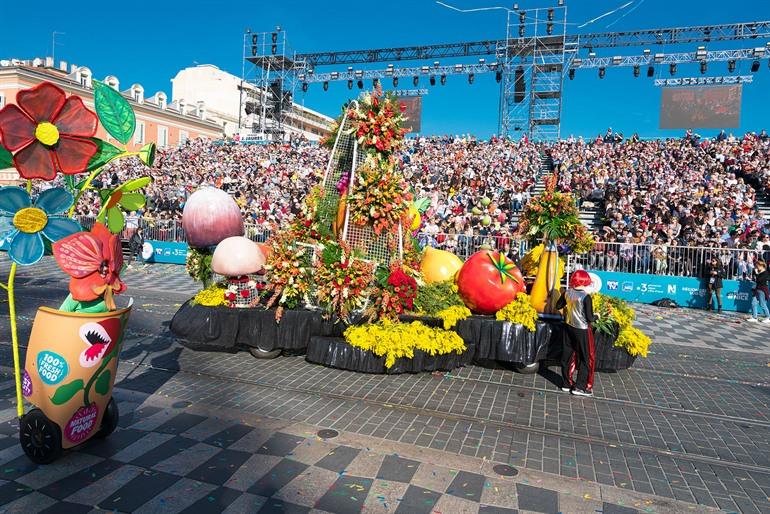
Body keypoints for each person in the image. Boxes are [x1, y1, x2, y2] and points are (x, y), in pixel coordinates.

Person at [556, 270, 597, 397]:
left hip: (568, 327)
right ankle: (581, 387)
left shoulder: (567, 292)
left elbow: (558, 306)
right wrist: (598, 316)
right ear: (585, 281)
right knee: (586, 358)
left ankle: (566, 383)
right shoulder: (586, 296)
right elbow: (590, 318)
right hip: (582, 329)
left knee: (568, 355)